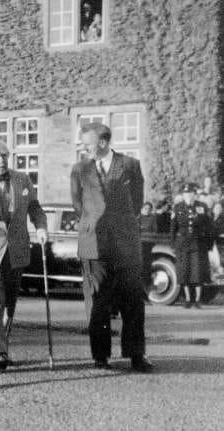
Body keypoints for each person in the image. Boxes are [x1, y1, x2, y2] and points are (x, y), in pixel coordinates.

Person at [71, 122, 152, 372]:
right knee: (98, 301)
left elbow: (137, 202)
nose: (84, 147)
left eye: (88, 143)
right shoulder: (80, 169)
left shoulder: (130, 165)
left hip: (125, 244)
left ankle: (136, 355)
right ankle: (101, 356)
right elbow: (77, 205)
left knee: (133, 300)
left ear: (103, 143)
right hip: (94, 244)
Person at [0, 140, 47, 371]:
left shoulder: (22, 179)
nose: (1, 160)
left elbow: (35, 207)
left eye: (5, 156)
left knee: (10, 304)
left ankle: (3, 345)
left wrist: (41, 227)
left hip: (17, 250)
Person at [171, 183, 213, 309]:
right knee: (184, 271)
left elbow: (208, 226)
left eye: (190, 193)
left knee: (198, 272)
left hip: (198, 244)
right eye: (185, 194)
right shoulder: (177, 207)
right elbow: (173, 227)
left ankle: (198, 300)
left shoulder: (202, 206)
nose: (188, 195)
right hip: (182, 245)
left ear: (195, 194)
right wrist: (173, 244)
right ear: (183, 195)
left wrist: (209, 244)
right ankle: (188, 299)